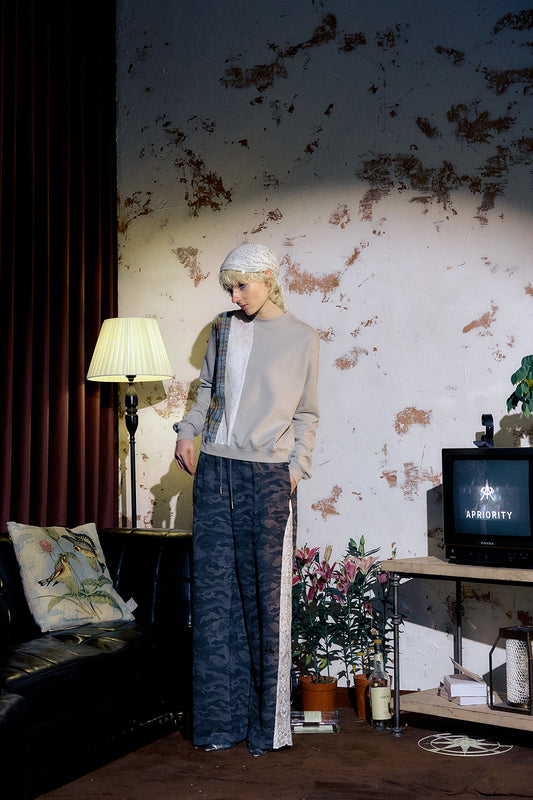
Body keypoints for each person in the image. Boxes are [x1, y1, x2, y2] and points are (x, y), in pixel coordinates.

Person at [173, 243, 319, 757]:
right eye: (229, 287)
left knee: (266, 605)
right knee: (215, 604)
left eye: (242, 285)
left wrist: (295, 469)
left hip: (269, 478)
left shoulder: (302, 337)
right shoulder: (222, 328)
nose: (235, 296)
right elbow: (205, 390)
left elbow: (307, 414)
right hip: (215, 470)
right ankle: (219, 726)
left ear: (268, 279)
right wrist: (186, 432)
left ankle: (266, 729)